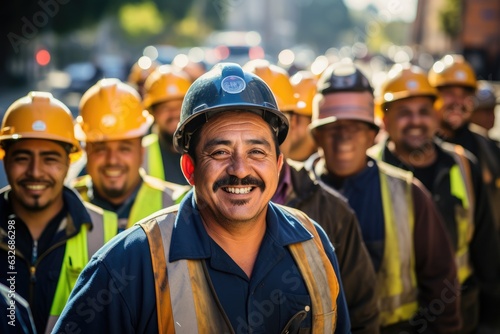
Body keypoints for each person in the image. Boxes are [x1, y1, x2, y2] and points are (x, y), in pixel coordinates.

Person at [53, 62, 351, 333]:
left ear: (278, 165)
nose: (240, 170)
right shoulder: (127, 265)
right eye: (220, 152)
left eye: (256, 152)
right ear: (190, 168)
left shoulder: (313, 244)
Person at [306, 61, 460, 333]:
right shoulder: (290, 195)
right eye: (332, 128)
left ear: (372, 135)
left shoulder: (408, 194)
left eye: (354, 127)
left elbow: (441, 283)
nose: (343, 139)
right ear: (316, 135)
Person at [247, 59, 379, 333]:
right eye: (245, 119)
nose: (256, 132)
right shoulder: (203, 204)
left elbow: (361, 311)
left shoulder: (333, 212)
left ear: (293, 123)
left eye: (271, 118)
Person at [371, 64, 500, 332]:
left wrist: (490, 320)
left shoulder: (463, 165)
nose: (416, 121)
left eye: (423, 112)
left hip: (459, 315)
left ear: (435, 114)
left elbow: (486, 247)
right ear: (384, 119)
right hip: (389, 324)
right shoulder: (368, 171)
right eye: (404, 113)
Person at [0, 92, 118, 334]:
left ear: (68, 161)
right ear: (5, 160)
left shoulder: (107, 234)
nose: (35, 172)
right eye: (22, 158)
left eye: (50, 158)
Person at [71, 78, 190, 231]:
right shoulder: (62, 205)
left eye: (124, 148)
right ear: (86, 150)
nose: (112, 160)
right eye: (100, 149)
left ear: (141, 150)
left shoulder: (179, 206)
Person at [428, 54, 500, 233]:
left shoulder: (488, 148)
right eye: (450, 94)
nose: (458, 102)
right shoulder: (419, 150)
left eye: (465, 95)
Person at [141, 65, 192, 185]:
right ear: (152, 112)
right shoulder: (140, 155)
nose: (174, 113)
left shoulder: (206, 148)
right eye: (165, 108)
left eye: (180, 106)